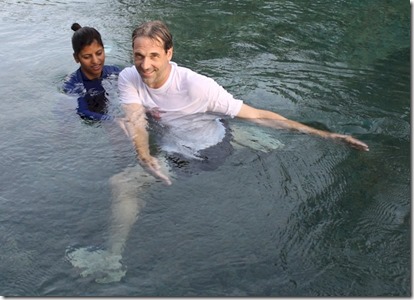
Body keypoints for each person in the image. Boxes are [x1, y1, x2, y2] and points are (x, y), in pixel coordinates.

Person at [118, 20, 369, 186]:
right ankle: (240, 137)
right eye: (139, 56)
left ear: (169, 54)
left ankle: (111, 260)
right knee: (121, 126)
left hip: (207, 152)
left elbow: (258, 115)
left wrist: (327, 135)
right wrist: (144, 155)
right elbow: (135, 118)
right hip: (183, 141)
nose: (145, 65)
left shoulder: (198, 87)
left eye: (154, 56)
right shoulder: (128, 76)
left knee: (122, 185)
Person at [63, 23, 120, 121]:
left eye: (99, 53)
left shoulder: (114, 72)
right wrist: (112, 120)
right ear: (76, 58)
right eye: (87, 57)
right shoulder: (72, 85)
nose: (95, 61)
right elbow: (82, 111)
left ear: (104, 50)